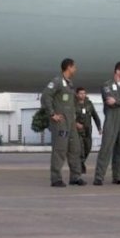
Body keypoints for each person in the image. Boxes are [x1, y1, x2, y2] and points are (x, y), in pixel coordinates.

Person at [41, 58, 85, 187]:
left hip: (70, 122)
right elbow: (45, 96)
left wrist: (74, 120)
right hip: (61, 122)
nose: (75, 69)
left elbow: (69, 104)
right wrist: (52, 114)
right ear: (69, 67)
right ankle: (56, 178)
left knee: (75, 149)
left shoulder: (69, 83)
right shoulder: (57, 81)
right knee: (60, 150)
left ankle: (75, 177)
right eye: (74, 67)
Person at [93, 62, 120, 186]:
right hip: (111, 119)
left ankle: (119, 176)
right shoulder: (107, 85)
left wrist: (116, 100)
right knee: (106, 148)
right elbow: (108, 99)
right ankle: (99, 177)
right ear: (117, 71)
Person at [74, 87, 101, 174]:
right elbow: (69, 117)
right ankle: (80, 165)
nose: (82, 95)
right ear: (77, 94)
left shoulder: (89, 104)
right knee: (80, 148)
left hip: (88, 129)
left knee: (88, 147)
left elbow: (95, 116)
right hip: (77, 130)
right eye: (81, 93)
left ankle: (81, 162)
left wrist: (99, 127)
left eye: (84, 93)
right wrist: (75, 123)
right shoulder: (73, 104)